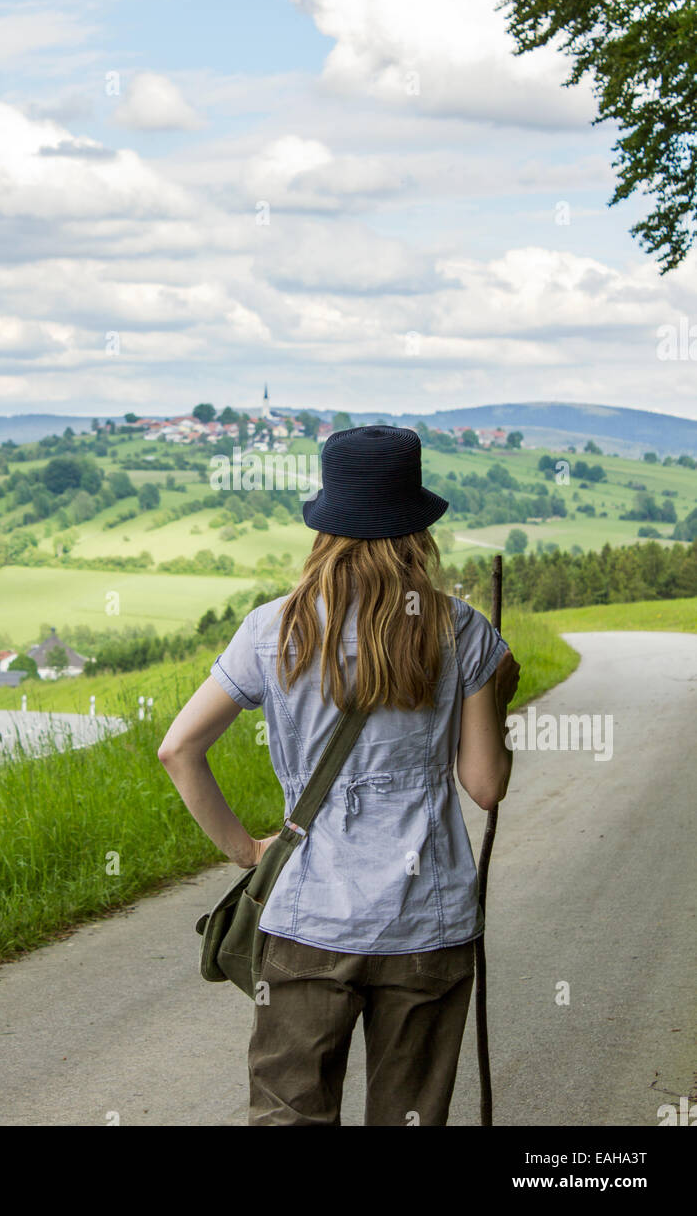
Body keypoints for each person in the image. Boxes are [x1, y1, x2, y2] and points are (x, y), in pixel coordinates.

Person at [157, 425, 520, 1126]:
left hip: (308, 919)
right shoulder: (462, 630)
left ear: (325, 526)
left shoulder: (272, 629)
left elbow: (179, 749)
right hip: (428, 923)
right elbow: (485, 784)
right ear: (418, 527)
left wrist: (247, 851)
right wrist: (494, 696)